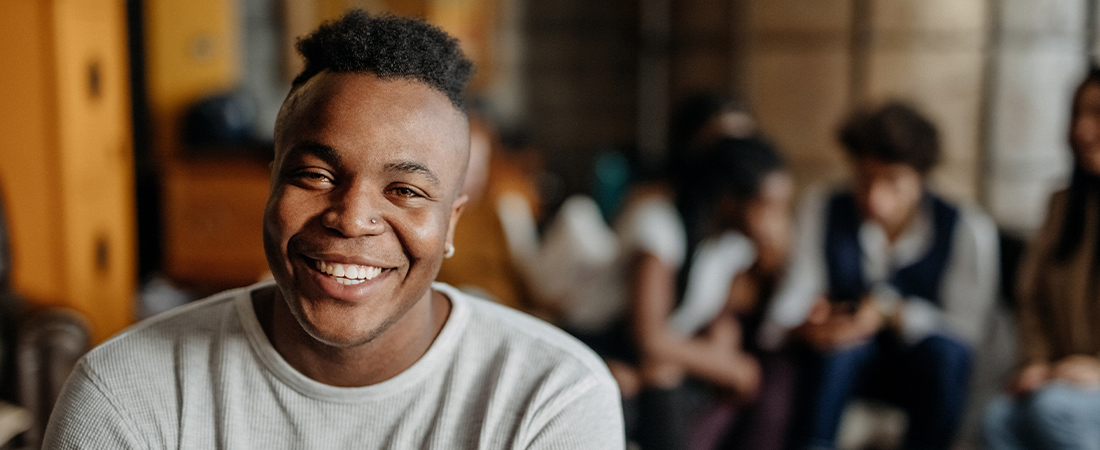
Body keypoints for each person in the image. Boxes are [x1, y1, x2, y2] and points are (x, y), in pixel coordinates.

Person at [43, 11, 623, 449]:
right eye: (315, 175)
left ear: (451, 224)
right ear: (270, 187)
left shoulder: (550, 397)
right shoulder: (127, 392)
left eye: (405, 190)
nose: (350, 217)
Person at [758, 102, 999, 450]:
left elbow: (969, 332)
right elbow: (788, 304)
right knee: (841, 347)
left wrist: (893, 313)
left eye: (892, 182)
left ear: (921, 178)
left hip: (920, 372)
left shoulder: (967, 229)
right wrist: (813, 328)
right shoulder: (823, 209)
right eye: (865, 179)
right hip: (845, 368)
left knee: (948, 356)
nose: (875, 198)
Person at [982, 66, 1100, 449]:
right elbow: (1031, 299)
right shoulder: (1063, 206)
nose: (1082, 129)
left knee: (1053, 411)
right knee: (997, 420)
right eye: (1078, 114)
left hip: (1083, 387)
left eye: (1097, 114)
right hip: (1061, 378)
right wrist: (1037, 364)